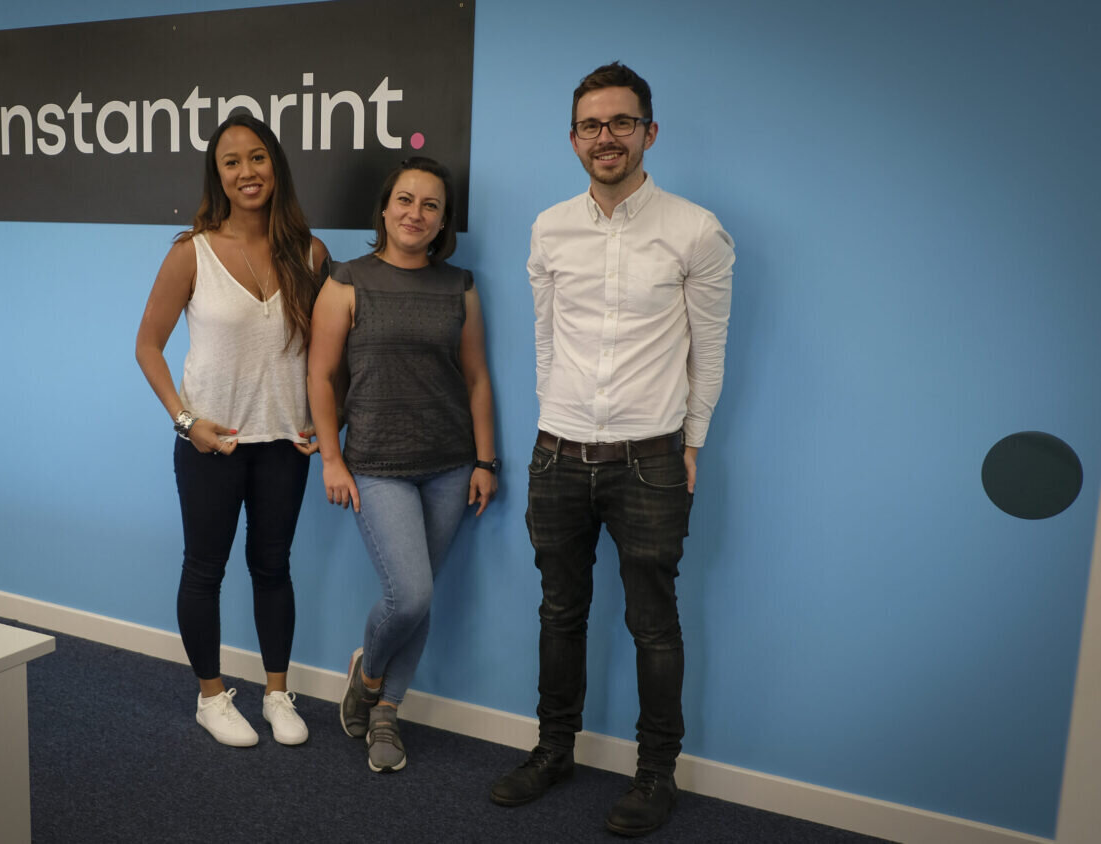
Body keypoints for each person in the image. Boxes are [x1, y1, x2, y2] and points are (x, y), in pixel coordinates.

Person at [488, 62, 735, 837]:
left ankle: (655, 775)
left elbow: (708, 353)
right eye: (591, 125)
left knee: (652, 623)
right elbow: (543, 338)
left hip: (649, 460)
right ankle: (552, 751)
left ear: (648, 132)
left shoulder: (695, 230)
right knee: (559, 612)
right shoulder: (548, 228)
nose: (606, 137)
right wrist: (551, 421)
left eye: (621, 122)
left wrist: (691, 443)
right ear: (572, 139)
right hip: (557, 453)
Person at [135, 113, 329, 748]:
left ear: (276, 166)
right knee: (205, 569)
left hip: (284, 444)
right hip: (210, 444)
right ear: (217, 175)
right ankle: (211, 697)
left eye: (258, 157)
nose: (247, 171)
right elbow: (147, 346)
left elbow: (328, 355)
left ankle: (277, 694)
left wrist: (327, 423)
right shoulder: (189, 252)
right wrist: (185, 421)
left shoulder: (311, 253)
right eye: (232, 161)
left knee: (273, 568)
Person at [307, 157, 499, 773]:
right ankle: (367, 677)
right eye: (406, 200)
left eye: (431, 205)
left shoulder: (460, 286)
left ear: (444, 222)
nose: (416, 213)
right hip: (375, 464)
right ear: (385, 209)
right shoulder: (346, 281)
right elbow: (320, 375)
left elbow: (476, 378)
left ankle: (386, 710)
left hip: (449, 464)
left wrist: (485, 460)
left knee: (424, 597)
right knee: (410, 596)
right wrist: (331, 459)